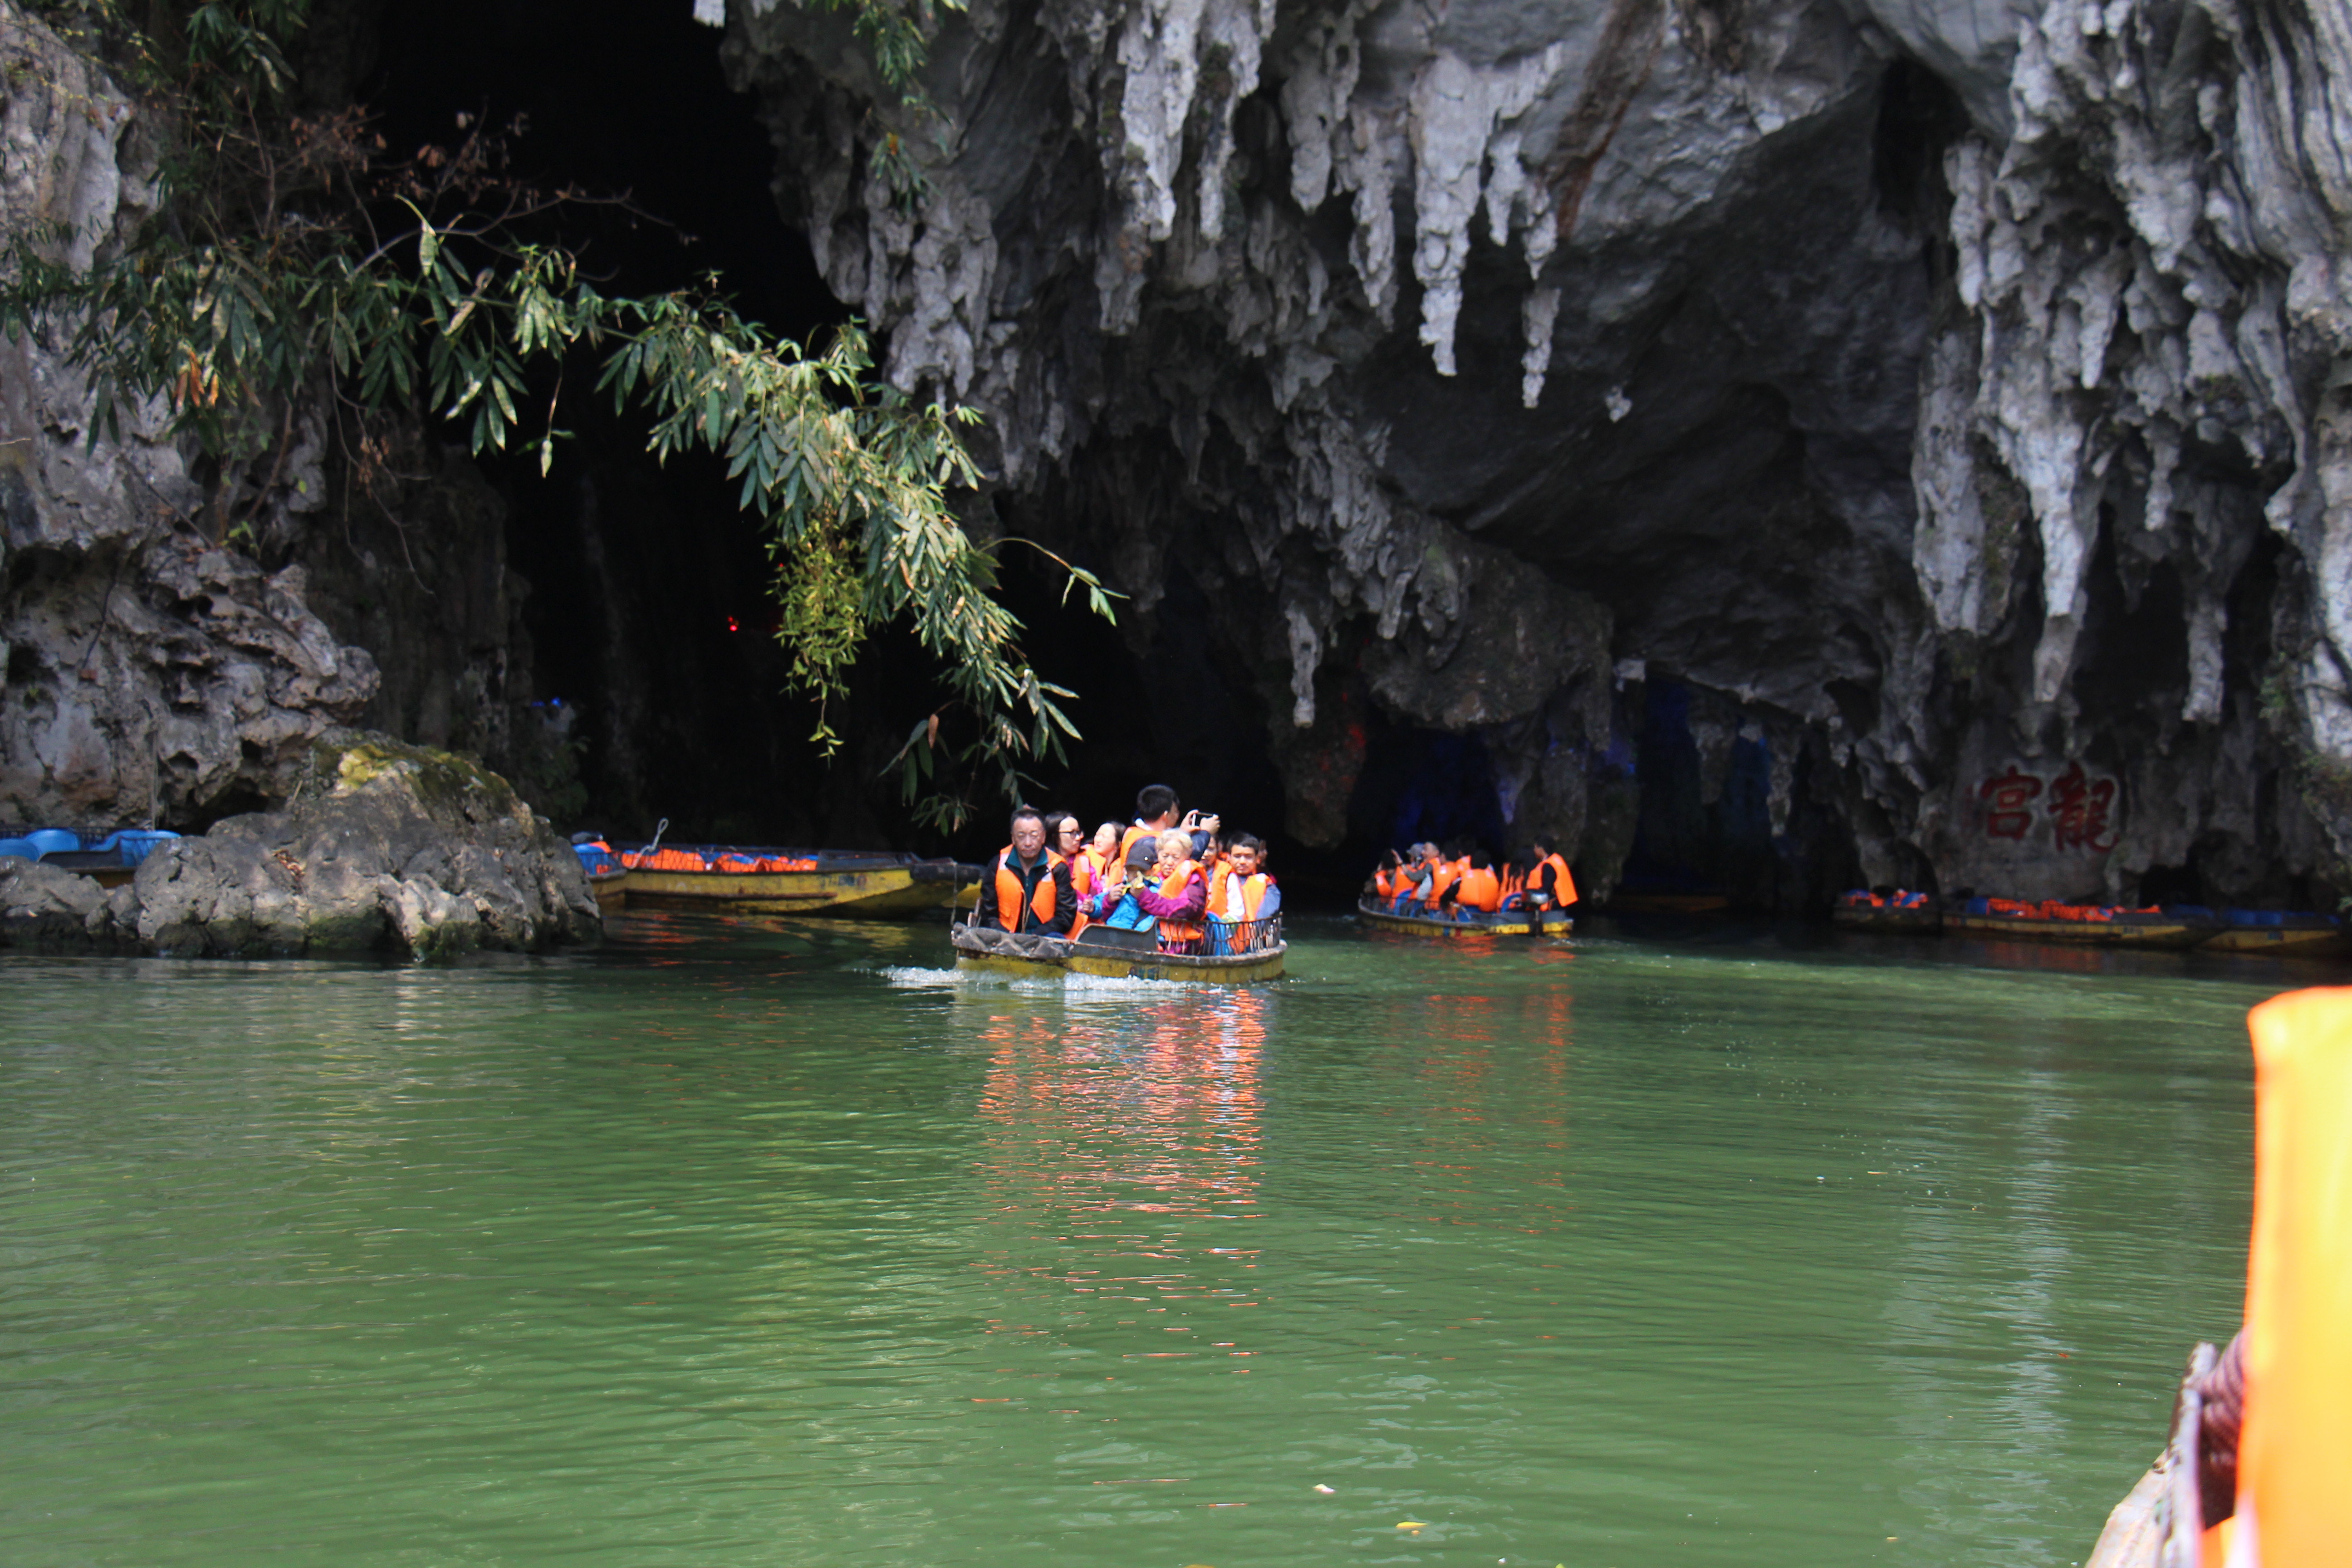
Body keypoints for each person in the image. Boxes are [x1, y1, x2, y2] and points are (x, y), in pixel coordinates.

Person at [973, 805, 1073, 935]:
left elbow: (1066, 914)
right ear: (1013, 838)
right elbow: (988, 913)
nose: (1028, 843)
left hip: (1046, 936)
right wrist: (1006, 936)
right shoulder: (997, 865)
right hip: (1004, 936)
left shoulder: (1058, 867)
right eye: (1021, 836)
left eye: (1034, 836)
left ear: (1043, 837)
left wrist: (1037, 936)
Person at [1124, 829, 1208, 953]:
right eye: (1165, 856)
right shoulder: (1151, 873)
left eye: (1176, 857)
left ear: (1187, 856)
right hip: (1145, 938)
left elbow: (1188, 909)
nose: (1169, 862)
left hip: (1180, 945)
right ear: (1158, 854)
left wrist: (1145, 897)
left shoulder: (1194, 879)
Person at [1209, 833, 1280, 951]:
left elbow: (1266, 913)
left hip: (1251, 945)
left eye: (1248, 857)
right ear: (1228, 857)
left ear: (1257, 858)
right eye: (1237, 856)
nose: (1242, 862)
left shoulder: (1268, 886)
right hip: (1216, 943)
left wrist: (1257, 931)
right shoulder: (1215, 878)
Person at [1523, 833, 1578, 913]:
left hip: (1554, 906)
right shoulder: (1556, 859)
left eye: (1535, 847)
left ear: (1541, 848)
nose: (1534, 850)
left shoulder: (1549, 865)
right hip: (1563, 903)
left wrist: (1527, 899)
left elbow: (1547, 888)